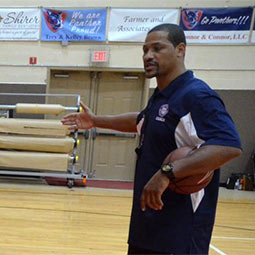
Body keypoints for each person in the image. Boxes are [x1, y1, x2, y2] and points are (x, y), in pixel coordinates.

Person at [62, 24, 242, 255]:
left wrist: (167, 172)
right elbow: (141, 120)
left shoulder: (196, 95)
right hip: (148, 226)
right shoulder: (163, 96)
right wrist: (96, 120)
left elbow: (229, 145)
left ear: (180, 50)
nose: (148, 56)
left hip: (178, 231)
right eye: (145, 50)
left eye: (157, 48)